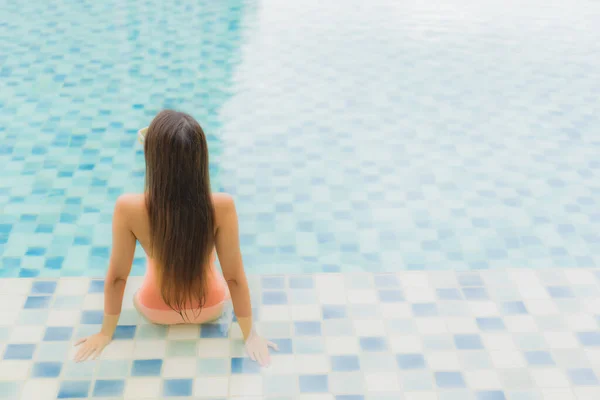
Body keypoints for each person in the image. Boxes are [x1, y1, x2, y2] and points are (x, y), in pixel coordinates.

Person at [74, 110, 277, 366]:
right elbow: (235, 278)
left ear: (153, 159)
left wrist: (105, 333)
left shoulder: (128, 208)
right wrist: (251, 336)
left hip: (154, 309)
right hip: (211, 306)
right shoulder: (222, 206)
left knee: (146, 278)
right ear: (201, 158)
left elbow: (117, 279)